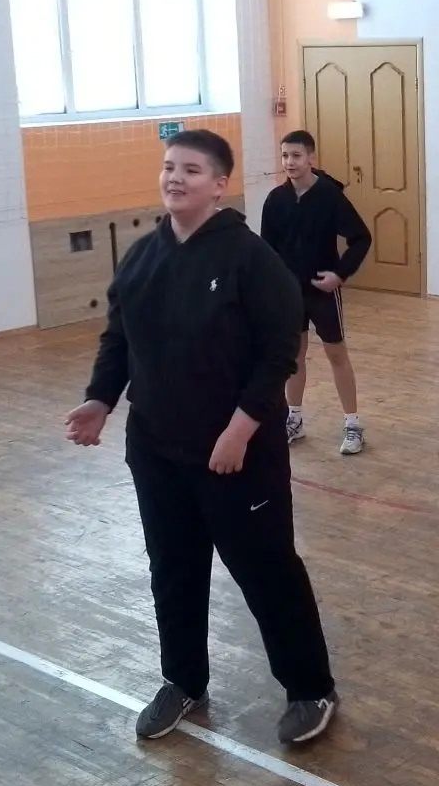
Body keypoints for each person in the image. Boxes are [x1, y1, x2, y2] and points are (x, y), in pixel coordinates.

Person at [64, 129, 340, 744]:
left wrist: (241, 430)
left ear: (219, 185)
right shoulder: (142, 256)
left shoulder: (250, 259)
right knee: (173, 568)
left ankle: (311, 689)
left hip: (237, 457)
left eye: (191, 170)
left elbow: (279, 355)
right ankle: (183, 681)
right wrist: (100, 399)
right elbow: (119, 338)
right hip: (157, 452)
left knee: (267, 572)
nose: (175, 178)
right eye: (169, 167)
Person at [260, 130, 372, 455]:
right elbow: (267, 251)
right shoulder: (275, 200)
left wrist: (339, 274)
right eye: (285, 156)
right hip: (288, 295)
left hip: (322, 293)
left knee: (336, 354)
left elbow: (361, 238)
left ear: (310, 158)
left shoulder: (329, 196)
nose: (289, 162)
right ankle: (294, 420)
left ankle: (353, 424)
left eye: (296, 155)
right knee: (294, 356)